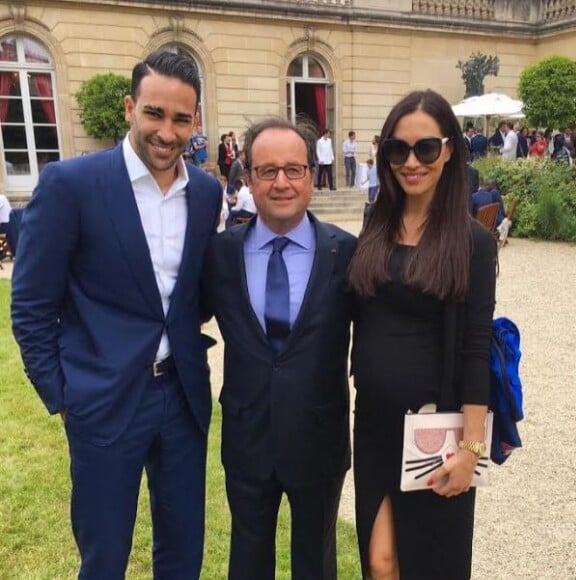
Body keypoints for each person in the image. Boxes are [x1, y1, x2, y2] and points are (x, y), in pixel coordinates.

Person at [11, 50, 222, 579]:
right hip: (101, 400)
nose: (167, 132)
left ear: (196, 121)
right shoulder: (71, 185)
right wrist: (62, 397)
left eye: (180, 118)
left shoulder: (206, 191)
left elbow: (192, 293)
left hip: (182, 396)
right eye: (154, 113)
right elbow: (32, 304)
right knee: (104, 556)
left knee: (183, 555)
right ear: (131, 107)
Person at [348, 89, 496, 580]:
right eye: (398, 149)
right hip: (374, 426)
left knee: (428, 565)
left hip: (435, 433)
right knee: (379, 562)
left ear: (449, 149)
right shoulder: (376, 222)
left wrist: (471, 451)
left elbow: (476, 347)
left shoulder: (470, 240)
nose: (411, 162)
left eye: (425, 148)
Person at [203, 116, 357, 579]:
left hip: (319, 438)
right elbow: (179, 317)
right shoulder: (219, 255)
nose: (282, 182)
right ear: (248, 178)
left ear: (312, 173)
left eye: (294, 169)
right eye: (267, 171)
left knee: (316, 563)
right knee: (248, 564)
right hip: (248, 435)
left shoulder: (347, 253)